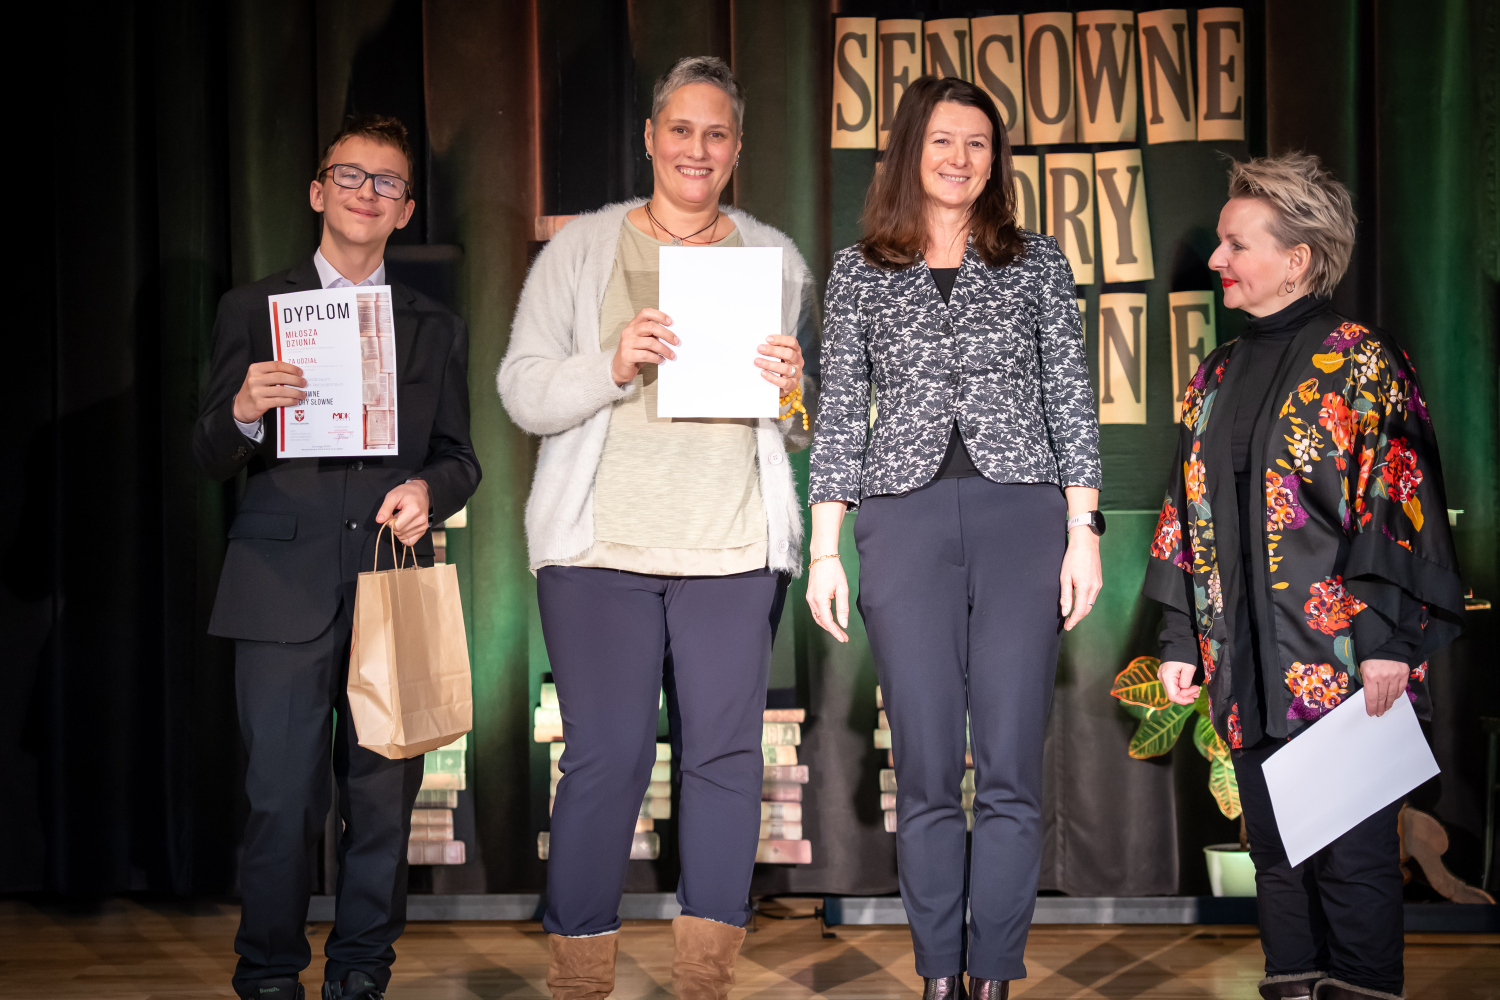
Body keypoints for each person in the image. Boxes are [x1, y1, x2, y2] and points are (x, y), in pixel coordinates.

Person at [496, 56, 818, 1000]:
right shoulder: (581, 251)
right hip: (599, 553)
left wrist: (793, 390)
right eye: (681, 129)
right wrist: (610, 364)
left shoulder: (775, 260)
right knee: (606, 758)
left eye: (716, 134)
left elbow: (805, 427)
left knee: (725, 760)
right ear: (650, 138)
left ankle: (703, 979)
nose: (696, 149)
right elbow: (521, 389)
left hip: (732, 550)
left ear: (738, 149)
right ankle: (579, 979)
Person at [806, 76, 1103, 1000]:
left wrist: (1083, 530)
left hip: (1023, 520)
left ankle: (995, 973)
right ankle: (940, 972)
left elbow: (1071, 400)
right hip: (903, 524)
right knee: (927, 767)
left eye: (978, 142)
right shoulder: (860, 270)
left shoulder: (1037, 262)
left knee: (1010, 766)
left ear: (995, 159)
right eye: (943, 140)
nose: (960, 158)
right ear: (910, 149)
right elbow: (840, 416)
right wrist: (824, 550)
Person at [1143, 153, 1464, 1000]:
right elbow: (1184, 508)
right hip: (1245, 663)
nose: (1217, 260)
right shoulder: (1214, 375)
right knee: (1277, 859)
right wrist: (1179, 637)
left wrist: (1388, 640)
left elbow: (1399, 501)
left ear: (1298, 259)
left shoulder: (1363, 362)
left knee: (1353, 863)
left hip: (1344, 662)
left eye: (1235, 245)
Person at [194, 114, 481, 1000]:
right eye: (350, 176)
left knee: (384, 809)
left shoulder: (434, 325)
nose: (367, 192)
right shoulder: (252, 310)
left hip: (390, 587)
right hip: (277, 588)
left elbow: (461, 457)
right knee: (280, 802)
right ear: (319, 191)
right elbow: (207, 452)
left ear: (406, 209)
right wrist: (243, 409)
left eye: (387, 182)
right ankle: (268, 974)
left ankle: (360, 974)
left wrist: (429, 490)